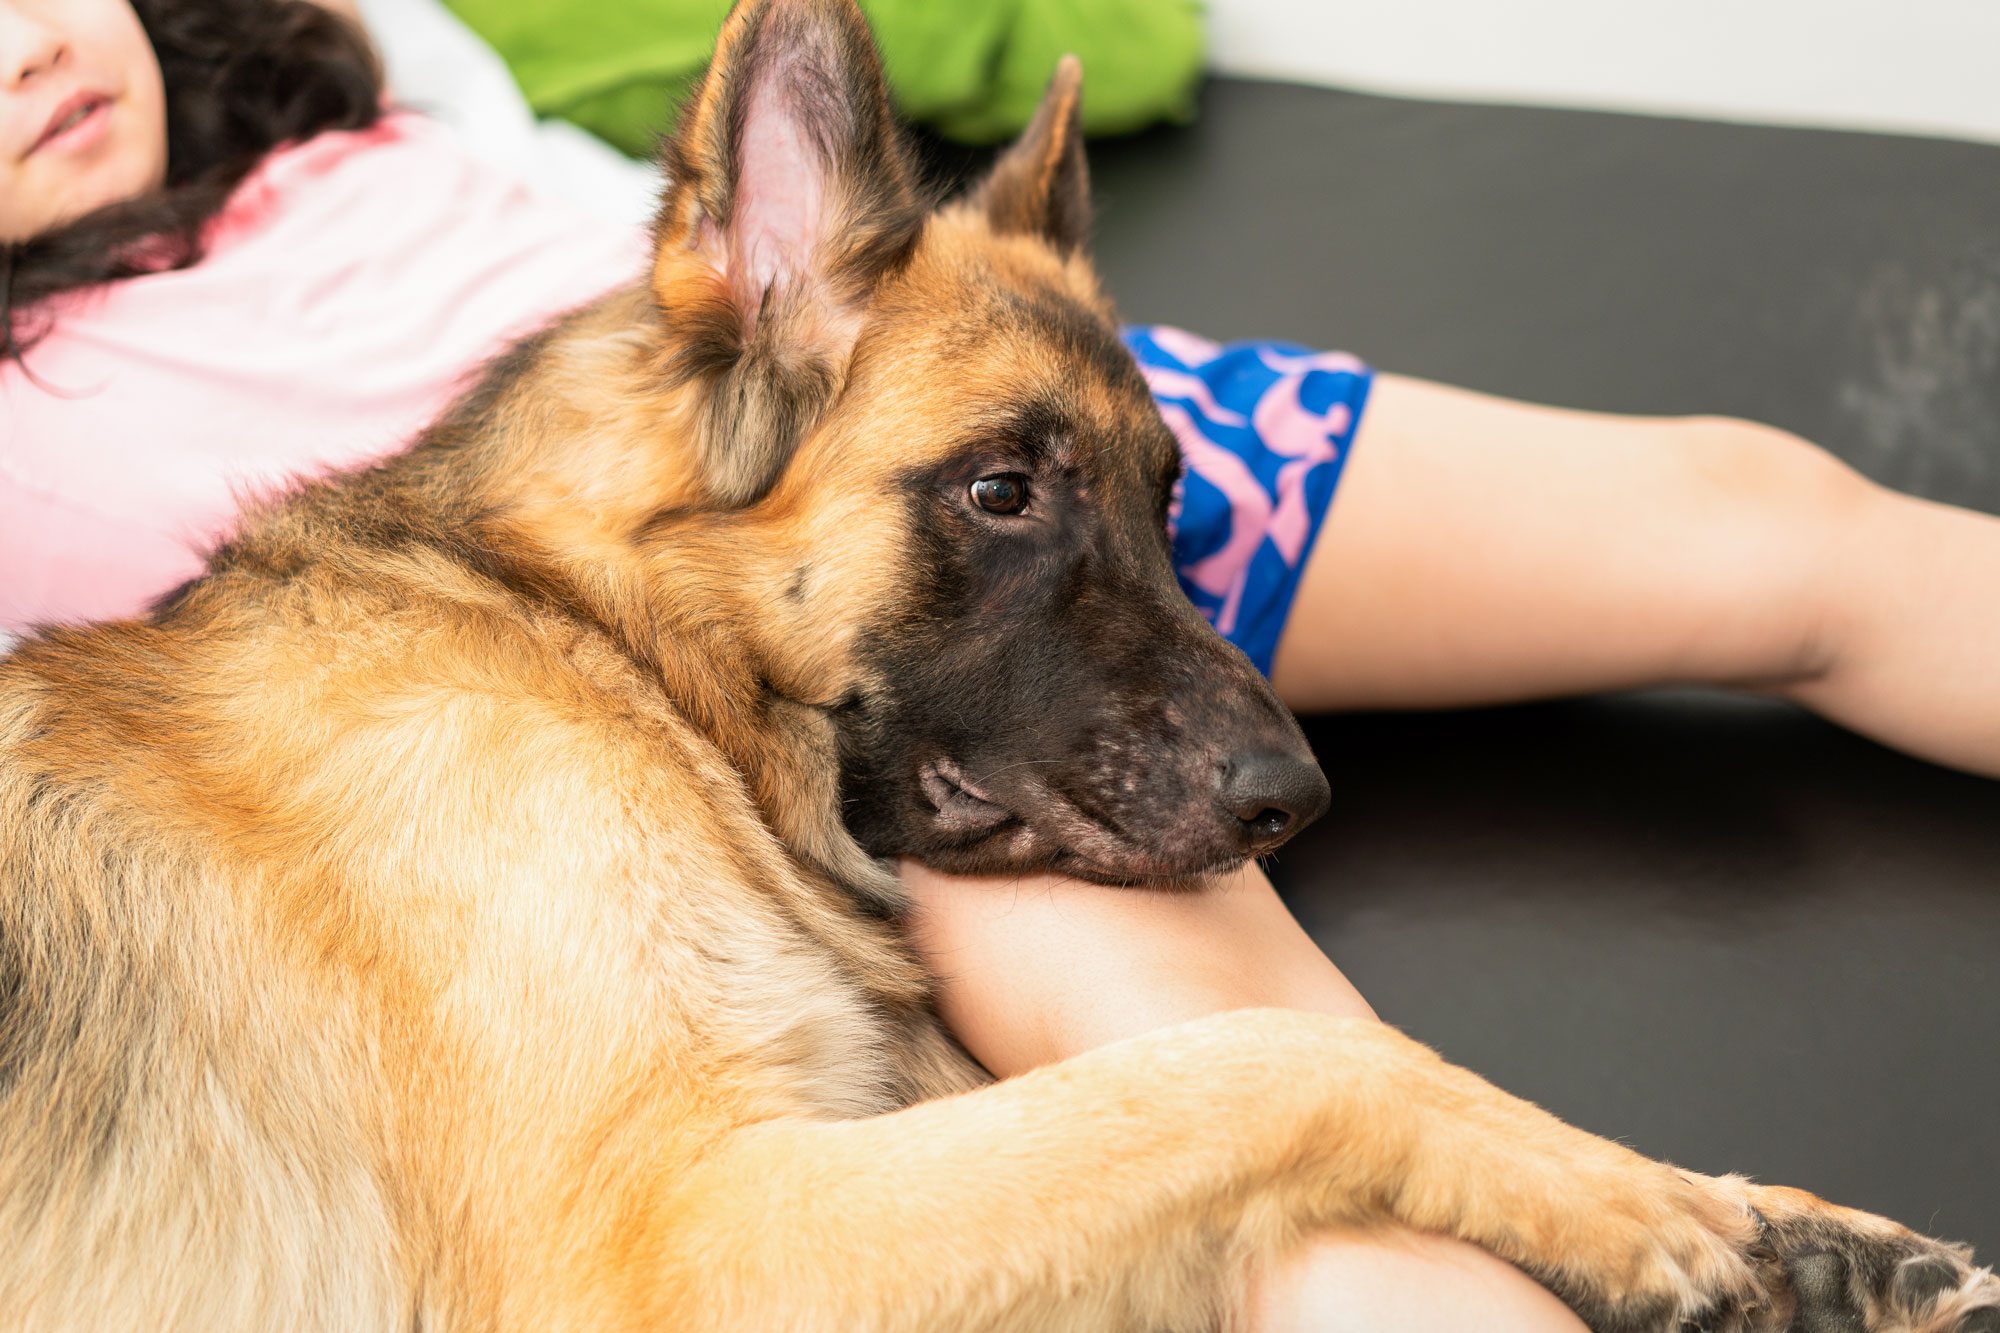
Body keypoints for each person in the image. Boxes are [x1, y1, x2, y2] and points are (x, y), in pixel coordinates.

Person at [5, 1, 1998, 1327]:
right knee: (1275, 1122)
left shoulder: (380, 99)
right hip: (780, 632)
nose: (29, 51)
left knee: (1769, 515)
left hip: (1012, 409)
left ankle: (1659, 1223)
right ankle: (1688, 1250)